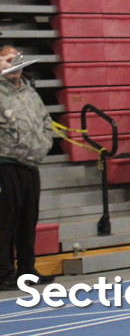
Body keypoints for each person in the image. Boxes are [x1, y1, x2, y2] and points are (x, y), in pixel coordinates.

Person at [0, 47, 56, 290]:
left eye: (18, 60)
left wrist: (45, 143)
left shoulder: (29, 90)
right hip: (6, 162)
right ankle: (4, 273)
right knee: (6, 220)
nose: (15, 65)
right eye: (9, 60)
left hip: (31, 163)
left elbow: (45, 119)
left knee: (28, 219)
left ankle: (26, 270)